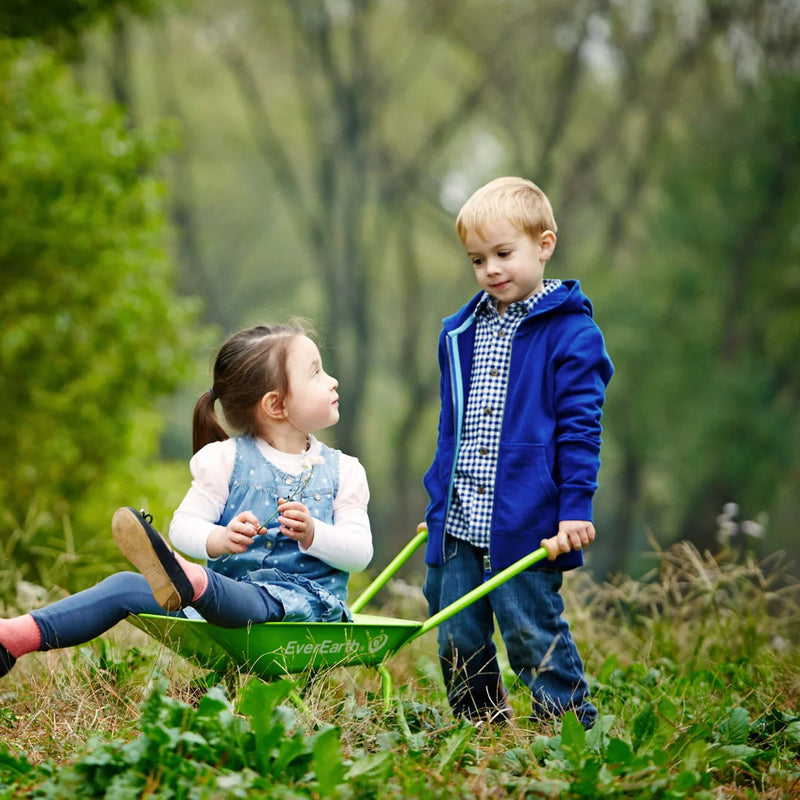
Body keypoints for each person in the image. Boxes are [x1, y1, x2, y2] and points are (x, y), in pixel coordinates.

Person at [0, 322, 372, 678]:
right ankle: (14, 636)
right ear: (276, 405)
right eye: (315, 373)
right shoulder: (225, 460)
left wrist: (312, 533)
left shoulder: (345, 471)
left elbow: (359, 553)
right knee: (125, 585)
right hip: (221, 608)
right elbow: (184, 526)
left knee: (254, 599)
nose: (332, 380)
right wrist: (220, 538)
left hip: (303, 614)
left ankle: (191, 580)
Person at [422, 177, 613, 728]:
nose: (491, 269)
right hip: (461, 517)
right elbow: (451, 429)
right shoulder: (460, 332)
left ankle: (568, 728)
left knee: (530, 629)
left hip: (527, 518)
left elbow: (580, 430)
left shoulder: (572, 335)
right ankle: (481, 725)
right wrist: (440, 501)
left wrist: (574, 507)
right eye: (477, 260)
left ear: (544, 245)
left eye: (504, 254)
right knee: (455, 631)